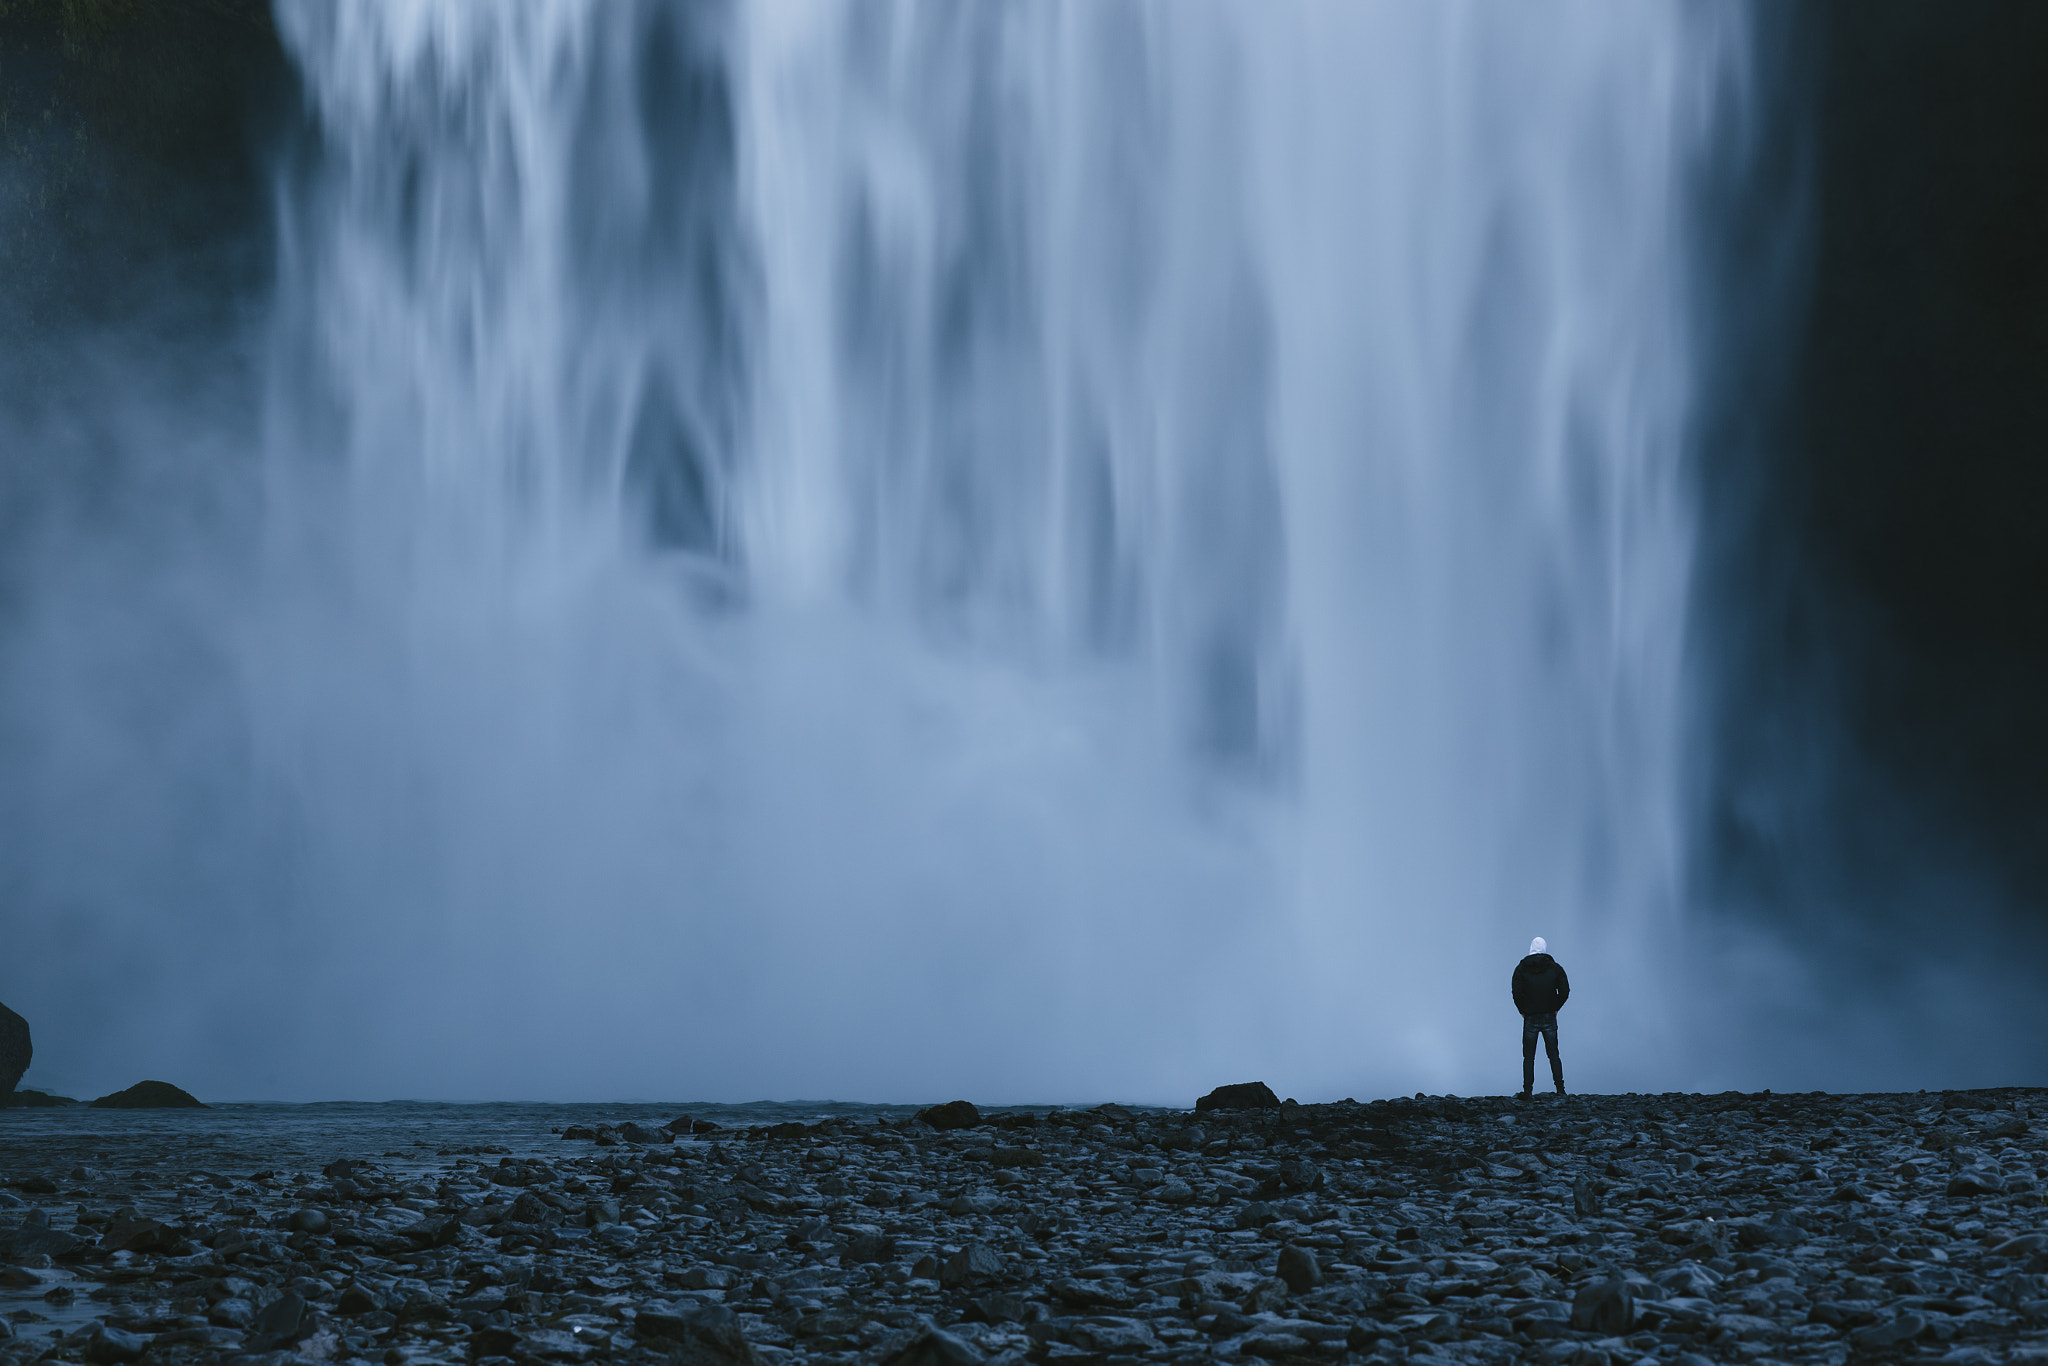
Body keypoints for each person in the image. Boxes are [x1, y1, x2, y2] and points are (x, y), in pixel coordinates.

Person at [1511, 936, 1569, 1098]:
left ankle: (1528, 1091)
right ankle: (1560, 1089)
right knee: (1554, 1054)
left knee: (1529, 1056)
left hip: (1530, 1017)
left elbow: (1516, 992)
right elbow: (1565, 991)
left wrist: (1522, 1009)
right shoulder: (1555, 968)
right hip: (1549, 1016)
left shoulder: (1521, 969)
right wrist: (1555, 1007)